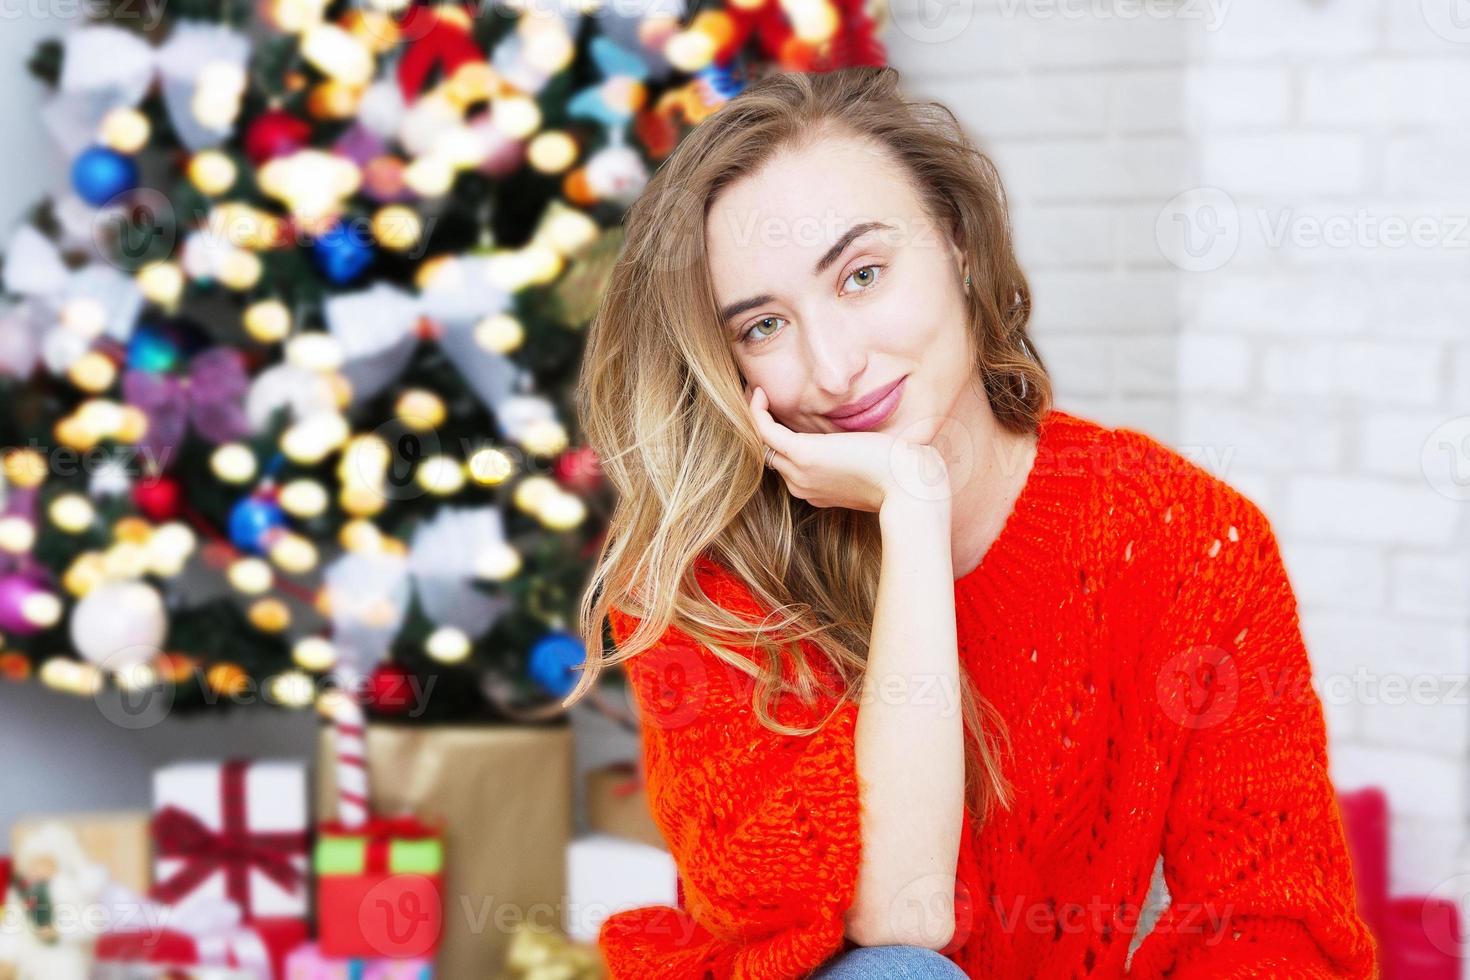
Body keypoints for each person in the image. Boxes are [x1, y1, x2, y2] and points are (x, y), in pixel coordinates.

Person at [566, 65, 1378, 979]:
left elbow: (1270, 922)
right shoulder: (704, 571)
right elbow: (899, 912)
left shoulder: (1185, 537)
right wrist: (913, 512)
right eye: (763, 327)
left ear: (955, 242)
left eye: (863, 275)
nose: (834, 368)